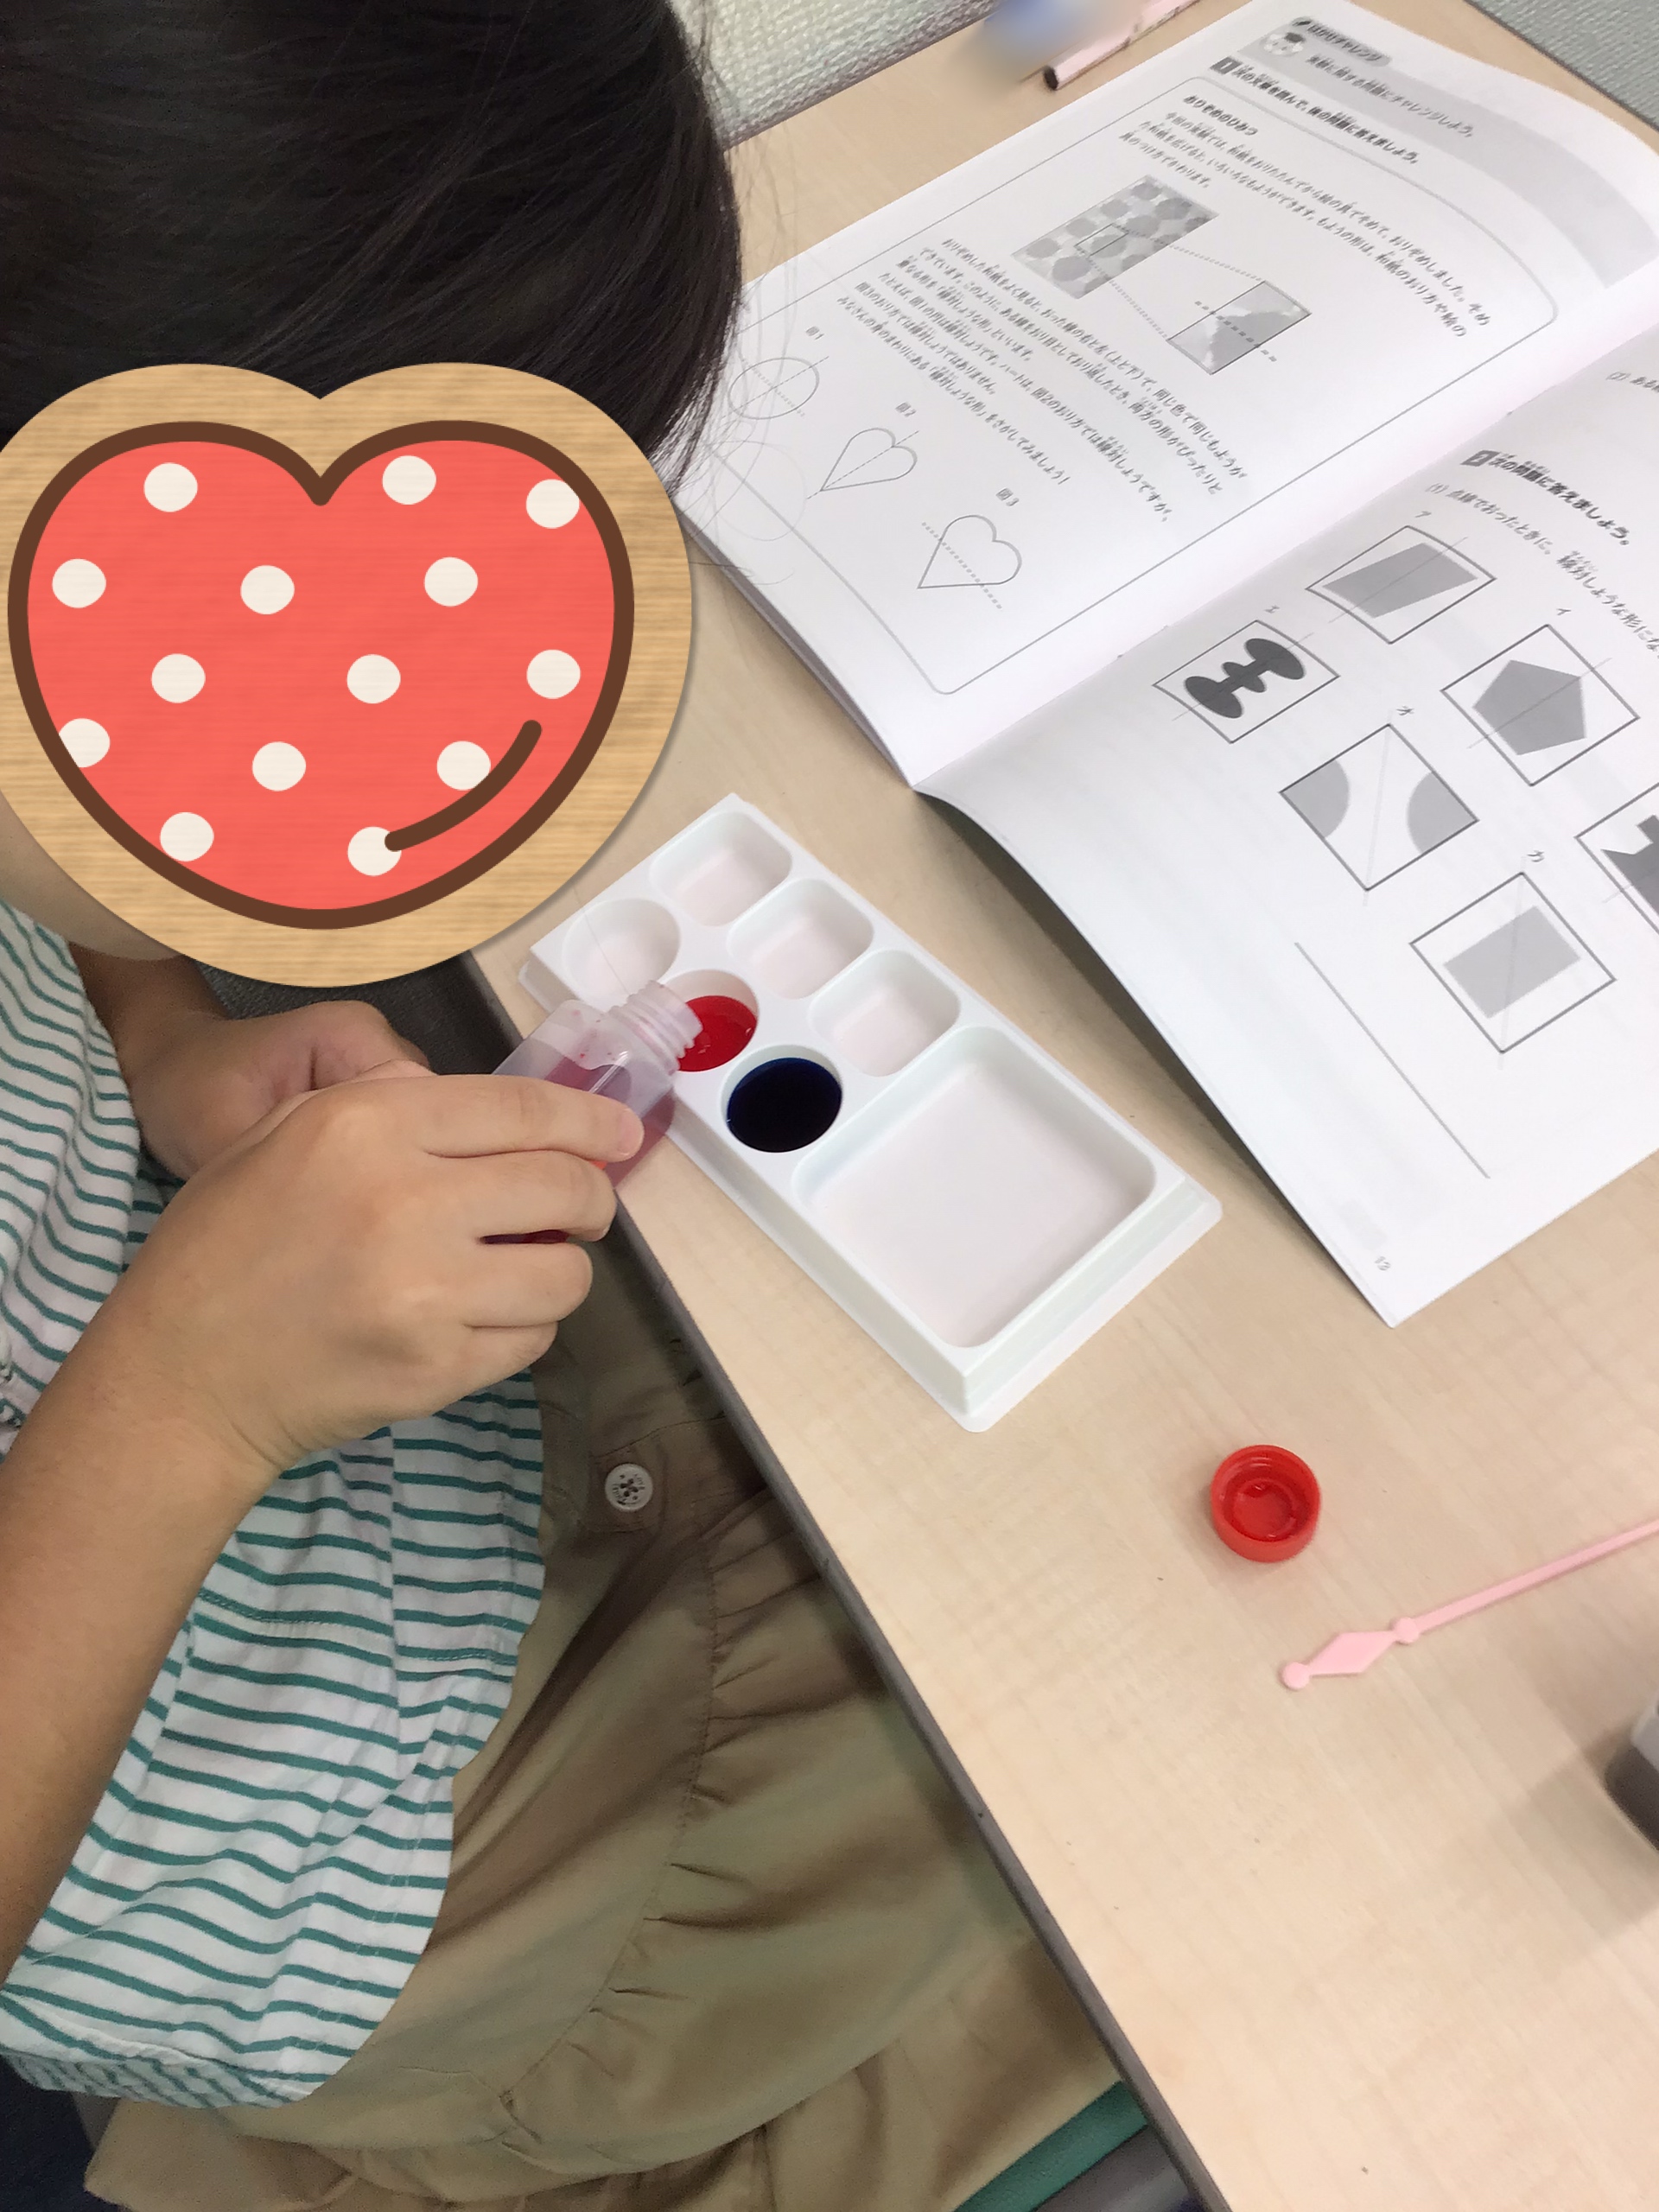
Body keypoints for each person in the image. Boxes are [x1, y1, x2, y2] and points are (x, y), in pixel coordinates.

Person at [0, 4, 1117, 2208]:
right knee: (1058, 1692)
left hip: (335, 1456)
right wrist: (188, 1399)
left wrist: (156, 1029)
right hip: (355, 1850)